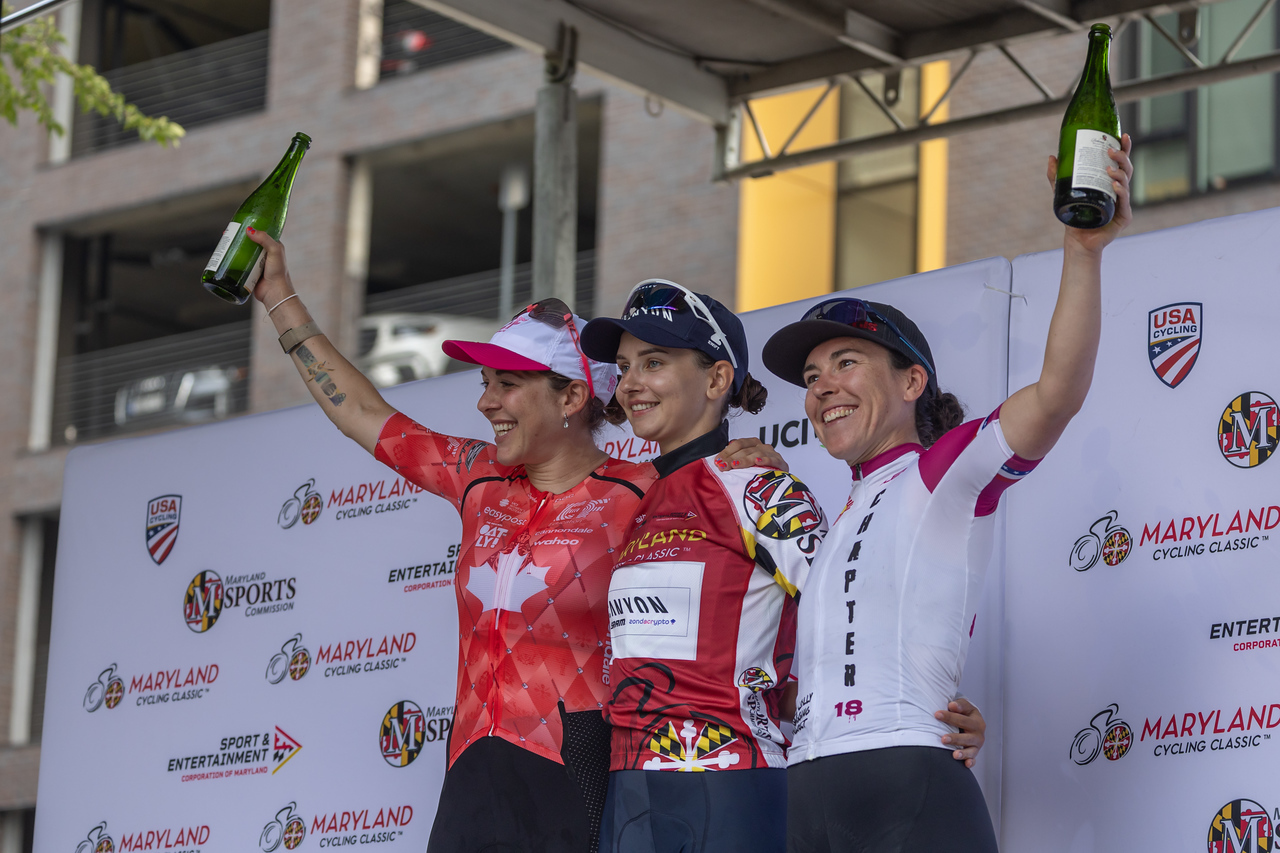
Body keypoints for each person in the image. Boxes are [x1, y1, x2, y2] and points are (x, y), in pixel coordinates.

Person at [243, 231, 781, 853]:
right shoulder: (477, 478)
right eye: (485, 382)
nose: (485, 402)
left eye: (507, 384)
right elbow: (362, 412)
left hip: (575, 776)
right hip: (469, 775)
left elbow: (725, 533)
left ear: (572, 397)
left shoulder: (645, 491)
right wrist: (279, 297)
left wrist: (741, 457)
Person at [762, 136, 1134, 853]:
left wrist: (1082, 251)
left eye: (846, 362)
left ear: (912, 381)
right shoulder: (830, 521)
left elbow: (1057, 394)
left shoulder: (942, 472)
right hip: (803, 791)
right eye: (811, 377)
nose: (822, 387)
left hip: (905, 781)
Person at [579, 281, 988, 853]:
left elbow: (860, 618)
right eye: (624, 367)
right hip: (630, 787)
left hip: (730, 781)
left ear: (717, 380)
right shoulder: (642, 503)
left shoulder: (757, 488)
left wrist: (932, 709)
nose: (630, 384)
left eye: (653, 362)